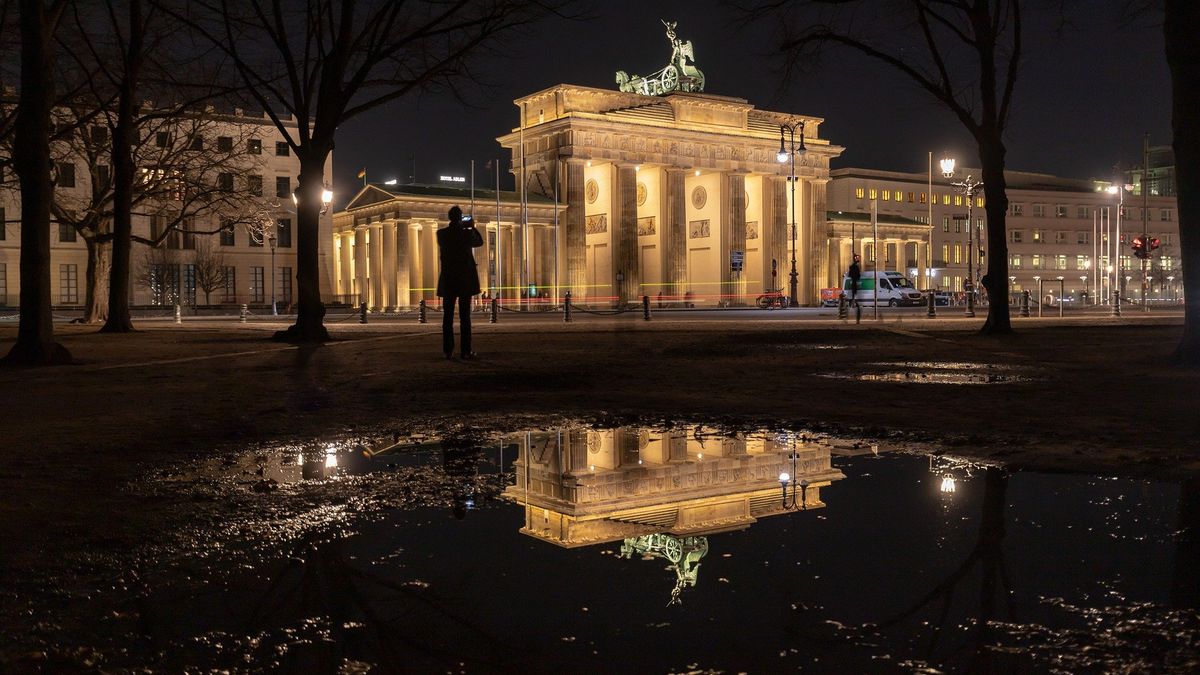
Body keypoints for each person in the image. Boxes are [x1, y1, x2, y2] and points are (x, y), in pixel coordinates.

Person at [436, 206, 484, 359]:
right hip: (464, 281)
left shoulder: (441, 234)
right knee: (465, 318)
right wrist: (472, 227)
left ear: (449, 217)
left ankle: (448, 351)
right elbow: (480, 242)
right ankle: (465, 351)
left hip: (449, 280)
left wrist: (464, 228)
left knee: (447, 318)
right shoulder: (466, 234)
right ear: (460, 217)